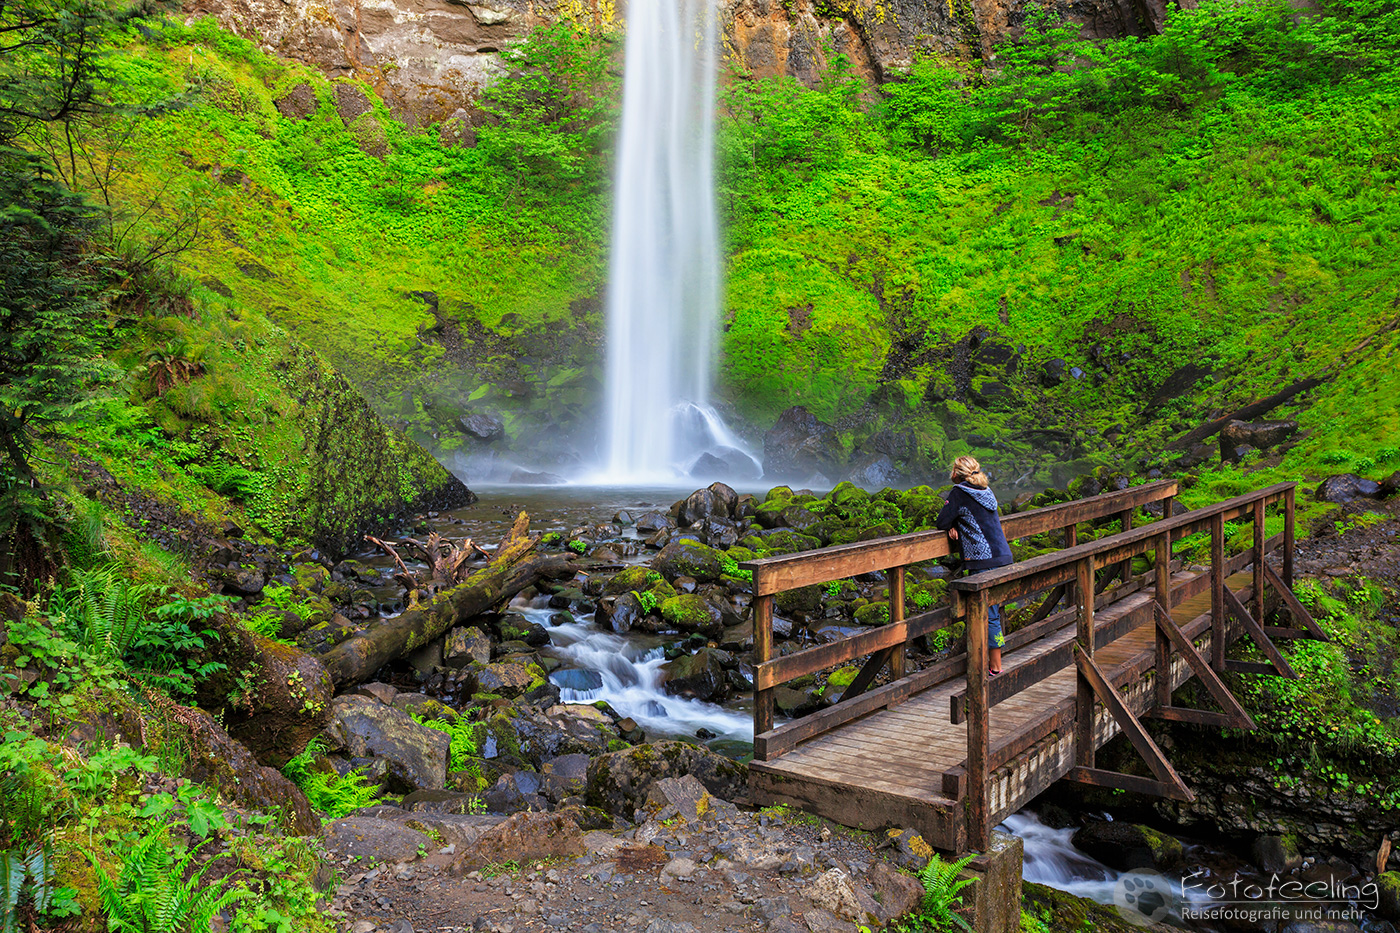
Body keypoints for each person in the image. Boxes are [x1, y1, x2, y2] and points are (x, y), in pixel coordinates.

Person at [935, 456, 1013, 675]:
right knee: (992, 610)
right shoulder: (986, 491)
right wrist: (958, 523)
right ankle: (988, 661)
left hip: (983, 560)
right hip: (1002, 556)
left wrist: (952, 524)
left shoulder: (959, 492)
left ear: (956, 473)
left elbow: (941, 521)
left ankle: (996, 668)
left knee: (989, 614)